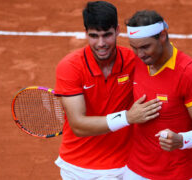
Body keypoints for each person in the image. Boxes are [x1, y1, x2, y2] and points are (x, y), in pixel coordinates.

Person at [54, 2, 162, 180]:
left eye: (107, 35)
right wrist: (128, 117)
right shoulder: (70, 67)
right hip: (79, 169)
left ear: (118, 30)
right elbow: (78, 125)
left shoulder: (134, 61)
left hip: (127, 166)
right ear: (86, 33)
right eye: (94, 36)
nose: (101, 44)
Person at [123, 10, 192, 180]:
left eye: (145, 47)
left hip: (177, 175)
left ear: (163, 36)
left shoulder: (189, 73)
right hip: (135, 171)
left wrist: (182, 140)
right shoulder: (135, 61)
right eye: (134, 48)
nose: (140, 54)